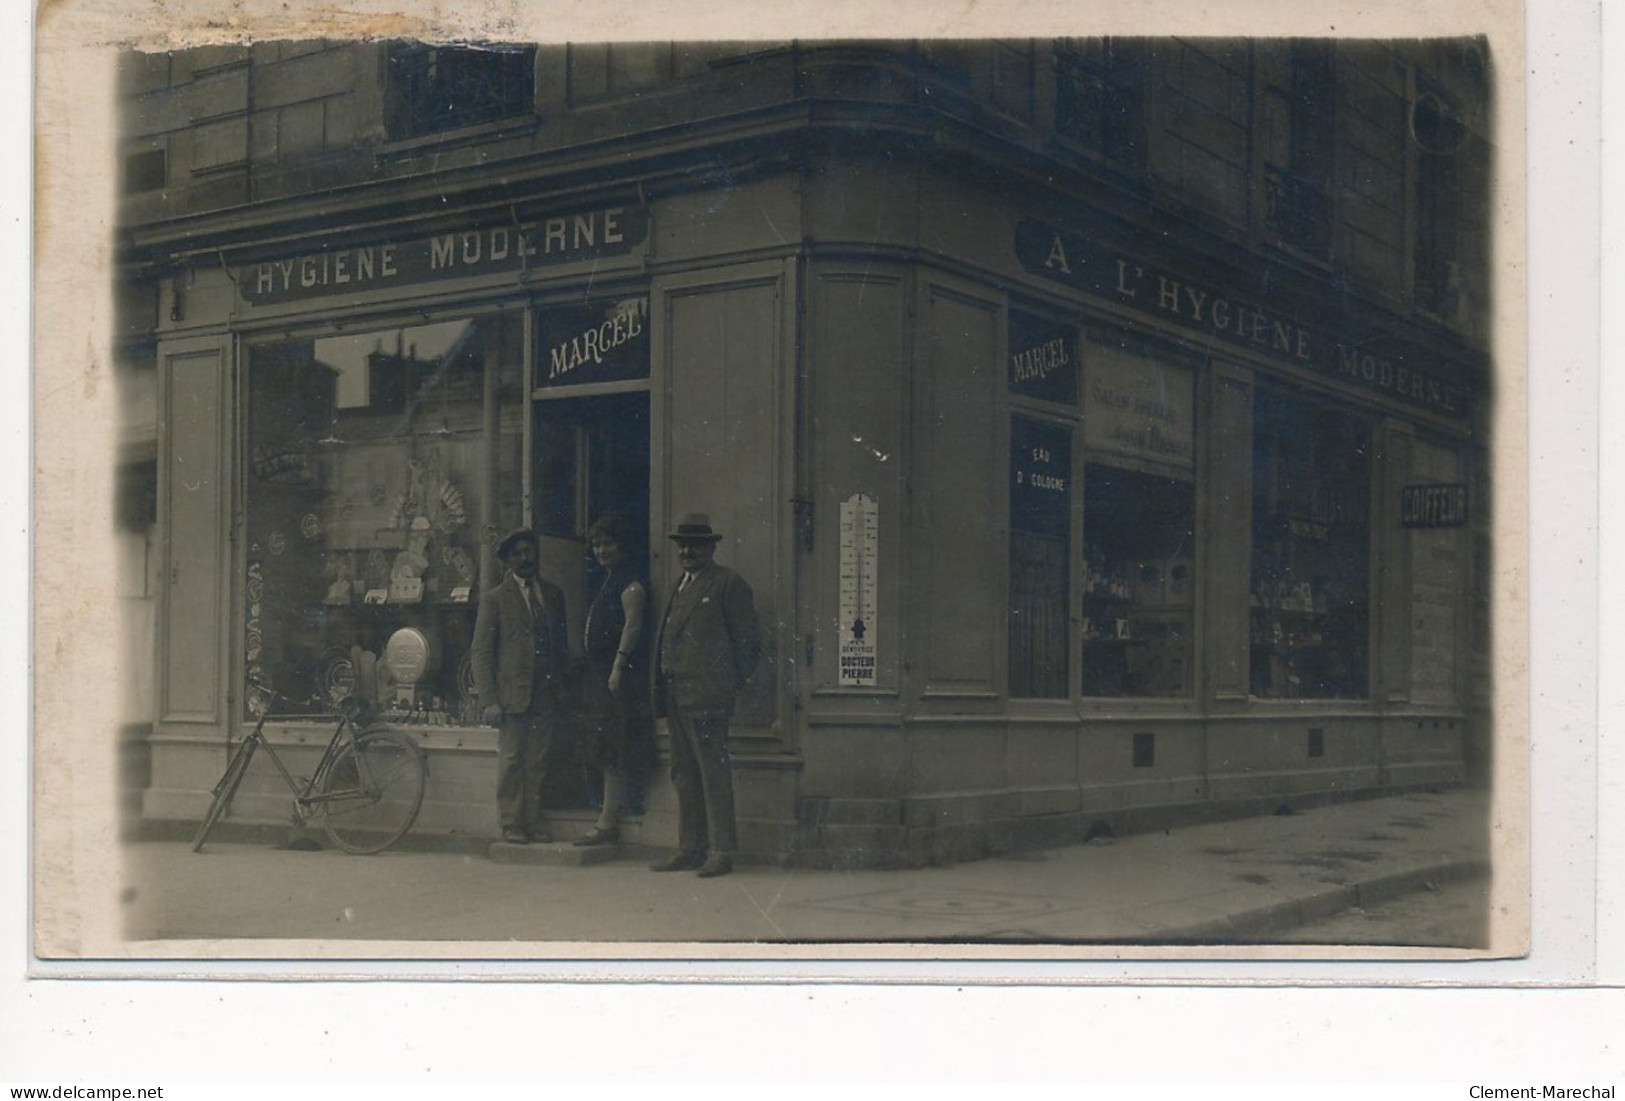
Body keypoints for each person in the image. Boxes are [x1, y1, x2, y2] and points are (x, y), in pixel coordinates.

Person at [649, 512, 762, 878]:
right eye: (682, 544)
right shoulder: (678, 585)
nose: (686, 550)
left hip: (709, 696)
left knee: (713, 772)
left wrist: (724, 685)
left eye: (695, 544)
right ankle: (690, 847)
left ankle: (722, 851)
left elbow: (748, 643)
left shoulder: (728, 584)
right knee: (683, 772)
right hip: (675, 695)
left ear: (711, 547)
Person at [471, 527, 570, 845]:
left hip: (546, 691)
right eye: (518, 553)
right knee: (512, 759)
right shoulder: (495, 599)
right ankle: (511, 823)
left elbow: (562, 647)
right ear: (507, 560)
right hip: (512, 695)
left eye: (529, 551)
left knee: (537, 760)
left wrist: (562, 686)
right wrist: (489, 700)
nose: (526, 558)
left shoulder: (553, 595)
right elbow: (482, 651)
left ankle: (532, 820)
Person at [572, 514, 652, 847]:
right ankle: (605, 813)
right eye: (597, 544)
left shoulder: (630, 584)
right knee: (600, 743)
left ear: (622, 546)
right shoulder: (606, 579)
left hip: (615, 676)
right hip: (598, 673)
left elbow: (632, 626)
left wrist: (618, 666)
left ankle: (608, 822)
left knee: (613, 746)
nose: (601, 550)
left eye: (608, 544)